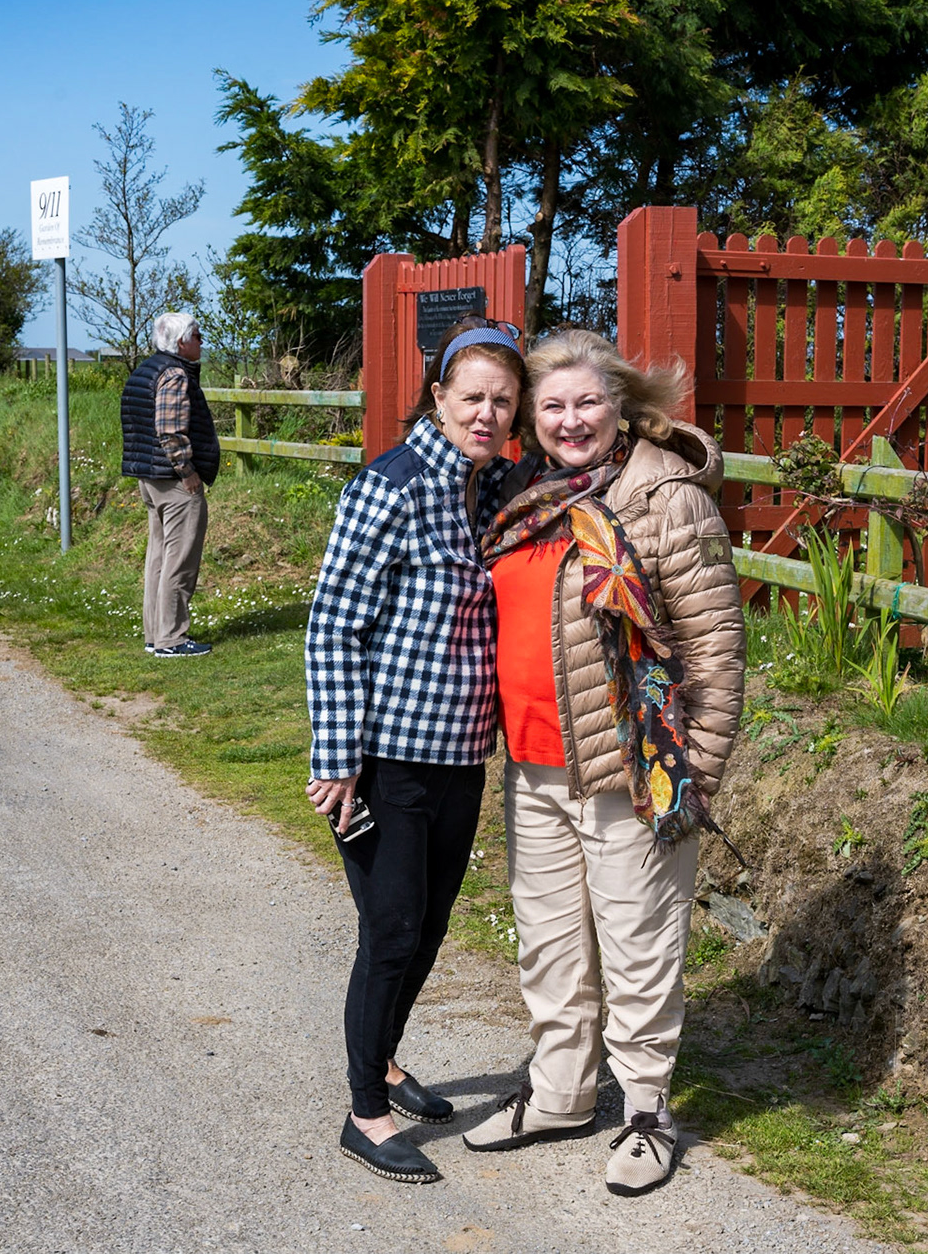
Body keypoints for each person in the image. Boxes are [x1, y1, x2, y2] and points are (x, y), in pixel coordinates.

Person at [463, 329, 746, 1197]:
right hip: (536, 767)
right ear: (531, 420)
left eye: (587, 401)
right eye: (551, 405)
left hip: (634, 770)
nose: (570, 419)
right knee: (550, 947)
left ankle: (646, 1110)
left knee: (638, 944)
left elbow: (716, 651)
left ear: (622, 402)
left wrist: (688, 772)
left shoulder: (662, 497)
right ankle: (560, 1091)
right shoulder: (523, 499)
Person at [304, 319, 524, 1185]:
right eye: (471, 395)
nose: (487, 411)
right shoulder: (390, 487)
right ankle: (364, 1111)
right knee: (391, 931)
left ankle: (388, 1062)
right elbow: (333, 626)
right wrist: (337, 759)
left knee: (428, 929)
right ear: (438, 397)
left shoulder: (498, 484)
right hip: (386, 760)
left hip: (462, 754)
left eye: (501, 400)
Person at [120, 312, 219, 657]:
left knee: (159, 558)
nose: (201, 341)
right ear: (181, 342)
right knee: (180, 560)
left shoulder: (145, 369)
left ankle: (156, 635)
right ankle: (172, 639)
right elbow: (169, 431)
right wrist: (187, 470)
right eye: (197, 334)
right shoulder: (175, 374)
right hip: (174, 480)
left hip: (149, 477)